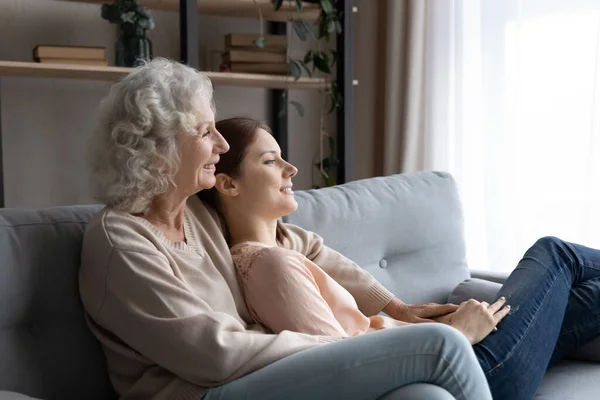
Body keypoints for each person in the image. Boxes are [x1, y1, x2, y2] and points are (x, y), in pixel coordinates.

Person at [79, 59, 491, 400]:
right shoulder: (121, 241)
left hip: (254, 378)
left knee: (425, 397)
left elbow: (297, 246)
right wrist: (343, 347)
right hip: (206, 392)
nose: (222, 146)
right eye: (206, 132)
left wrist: (394, 307)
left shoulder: (198, 215)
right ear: (160, 149)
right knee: (443, 343)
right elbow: (214, 355)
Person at [198, 117, 600, 400]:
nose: (291, 168)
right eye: (270, 161)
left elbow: (319, 253)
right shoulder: (269, 265)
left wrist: (402, 309)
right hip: (462, 369)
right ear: (228, 184)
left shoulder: (285, 243)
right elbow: (344, 364)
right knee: (555, 253)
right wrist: (459, 333)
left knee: (590, 295)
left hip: (450, 356)